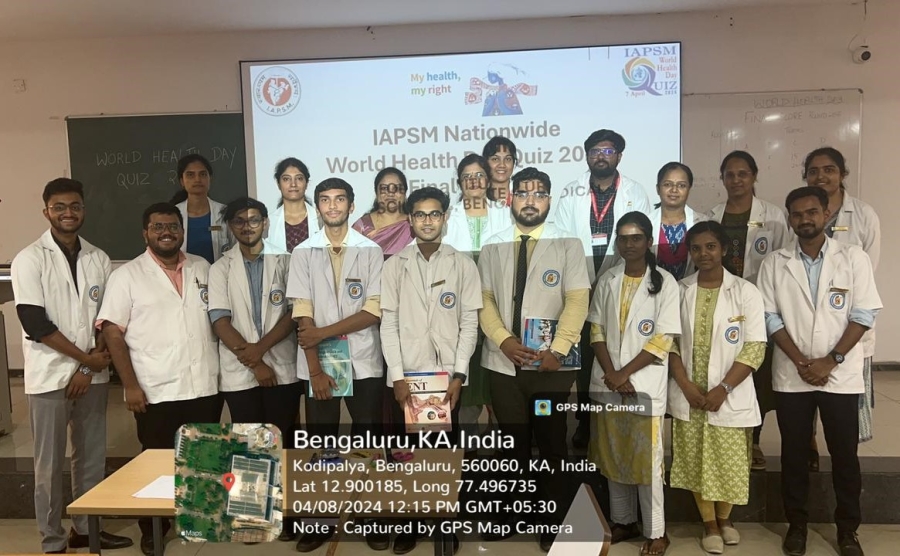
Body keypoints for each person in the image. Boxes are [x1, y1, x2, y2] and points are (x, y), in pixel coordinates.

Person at [757, 186, 881, 556]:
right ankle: (797, 526)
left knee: (844, 456)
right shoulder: (774, 262)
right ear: (789, 219)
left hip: (839, 375)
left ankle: (848, 530)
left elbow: (864, 313)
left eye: (812, 212)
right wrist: (800, 361)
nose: (805, 219)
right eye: (797, 214)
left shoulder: (853, 257)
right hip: (792, 375)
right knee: (794, 456)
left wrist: (831, 360)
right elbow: (769, 317)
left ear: (826, 214)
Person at [11, 178, 132, 554]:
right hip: (49, 375)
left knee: (91, 457)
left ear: (84, 210)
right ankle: (52, 537)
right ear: (46, 211)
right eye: (59, 207)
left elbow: (106, 319)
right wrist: (84, 361)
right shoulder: (30, 258)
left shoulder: (99, 258)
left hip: (91, 374)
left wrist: (87, 369)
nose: (68, 213)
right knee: (48, 463)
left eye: (75, 206)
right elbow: (35, 322)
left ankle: (86, 528)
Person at [98, 202, 221, 556]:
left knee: (202, 458)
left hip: (203, 384)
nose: (166, 233)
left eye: (173, 226)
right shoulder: (127, 276)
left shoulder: (202, 267)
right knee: (156, 462)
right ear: (145, 233)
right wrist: (130, 385)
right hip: (155, 388)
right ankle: (153, 528)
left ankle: (196, 519)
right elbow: (112, 332)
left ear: (182, 231)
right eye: (158, 227)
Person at [478, 167, 590, 552]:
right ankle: (512, 515)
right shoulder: (492, 244)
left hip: (549, 370)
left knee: (552, 445)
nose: (530, 200)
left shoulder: (568, 243)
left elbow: (577, 299)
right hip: (504, 366)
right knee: (513, 445)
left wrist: (558, 349)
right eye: (523, 193)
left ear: (549, 200)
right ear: (510, 198)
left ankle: (552, 520)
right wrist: (504, 340)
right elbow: (485, 300)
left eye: (538, 193)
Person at [286, 178, 385, 552]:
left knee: (367, 441)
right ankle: (322, 520)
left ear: (351, 205)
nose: (332, 206)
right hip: (320, 366)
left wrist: (321, 333)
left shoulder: (371, 250)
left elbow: (373, 310)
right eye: (325, 200)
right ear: (317, 207)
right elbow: (302, 310)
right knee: (322, 445)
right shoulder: (303, 252)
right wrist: (314, 370)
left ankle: (368, 516)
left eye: (339, 199)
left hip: (362, 361)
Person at [381, 186, 481, 554]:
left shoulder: (462, 264)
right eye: (420, 214)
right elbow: (388, 324)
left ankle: (444, 525)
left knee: (443, 453)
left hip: (446, 377)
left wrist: (459, 376)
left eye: (434, 214)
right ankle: (410, 523)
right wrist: (397, 376)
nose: (427, 221)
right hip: (409, 376)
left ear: (445, 217)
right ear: (410, 219)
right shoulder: (395, 265)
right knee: (407, 453)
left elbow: (469, 324)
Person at [668, 221, 766, 554]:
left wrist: (723, 388)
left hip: (728, 393)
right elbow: (669, 342)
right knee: (696, 460)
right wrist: (685, 385)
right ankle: (709, 523)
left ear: (723, 249)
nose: (703, 254)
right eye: (696, 248)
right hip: (691, 395)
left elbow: (755, 347)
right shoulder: (679, 290)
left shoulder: (746, 291)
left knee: (729, 460)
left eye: (710, 246)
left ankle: (725, 519)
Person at [587, 211, 679, 556]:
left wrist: (623, 374)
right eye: (623, 238)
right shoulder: (608, 279)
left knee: (647, 462)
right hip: (610, 382)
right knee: (614, 454)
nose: (629, 244)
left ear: (649, 241)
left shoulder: (665, 282)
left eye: (636, 238)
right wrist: (613, 374)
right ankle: (622, 520)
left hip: (642, 384)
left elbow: (663, 338)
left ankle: (656, 531)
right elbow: (596, 330)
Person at [707, 150, 789, 471]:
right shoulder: (712, 215)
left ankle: (753, 439)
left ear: (754, 176)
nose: (736, 180)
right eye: (730, 174)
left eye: (743, 173)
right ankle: (723, 433)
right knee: (723, 367)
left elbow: (783, 263)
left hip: (759, 303)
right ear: (722, 179)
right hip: (721, 303)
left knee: (757, 373)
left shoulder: (774, 216)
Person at [804, 147, 881, 450]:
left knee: (847, 415)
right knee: (804, 397)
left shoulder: (863, 215)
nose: (820, 176)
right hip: (804, 326)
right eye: (813, 171)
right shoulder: (799, 214)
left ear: (843, 174)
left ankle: (846, 454)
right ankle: (809, 443)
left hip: (848, 328)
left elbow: (868, 274)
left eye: (829, 169)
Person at [208, 197, 300, 434]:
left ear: (265, 223)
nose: (247, 226)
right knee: (249, 443)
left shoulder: (286, 261)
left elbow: (294, 313)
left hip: (281, 367)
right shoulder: (220, 268)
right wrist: (257, 363)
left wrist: (259, 350)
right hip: (240, 373)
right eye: (239, 221)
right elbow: (220, 322)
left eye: (254, 220)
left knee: (284, 437)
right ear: (230, 226)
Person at [443, 153, 508, 439]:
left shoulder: (505, 214)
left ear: (488, 180)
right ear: (459, 182)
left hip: (499, 305)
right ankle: (468, 441)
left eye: (479, 175)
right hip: (460, 308)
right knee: (466, 370)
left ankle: (501, 435)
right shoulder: (448, 217)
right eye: (467, 176)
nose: (473, 181)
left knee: (498, 374)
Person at [649, 162, 707, 280]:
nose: (674, 190)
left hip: (691, 289)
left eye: (681, 185)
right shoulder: (646, 223)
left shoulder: (703, 223)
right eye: (667, 184)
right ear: (658, 189)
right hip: (654, 289)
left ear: (689, 189)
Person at [170, 153, 231, 264]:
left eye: (203, 174)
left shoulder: (225, 212)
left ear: (210, 178)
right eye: (190, 175)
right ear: (182, 181)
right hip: (183, 273)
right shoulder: (172, 214)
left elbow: (236, 251)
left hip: (220, 274)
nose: (197, 179)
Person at [352, 167, 415, 258]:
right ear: (376, 192)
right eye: (384, 188)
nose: (390, 193)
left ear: (405, 192)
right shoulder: (362, 226)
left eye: (396, 188)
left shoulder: (414, 225)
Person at [266, 157, 322, 254]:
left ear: (306, 183)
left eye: (299, 178)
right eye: (286, 179)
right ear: (278, 184)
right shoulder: (269, 222)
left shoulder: (320, 219)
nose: (293, 184)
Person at [482, 135, 519, 205]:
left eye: (507, 159)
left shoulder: (522, 192)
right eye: (495, 159)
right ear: (485, 162)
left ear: (514, 163)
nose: (502, 165)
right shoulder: (477, 194)